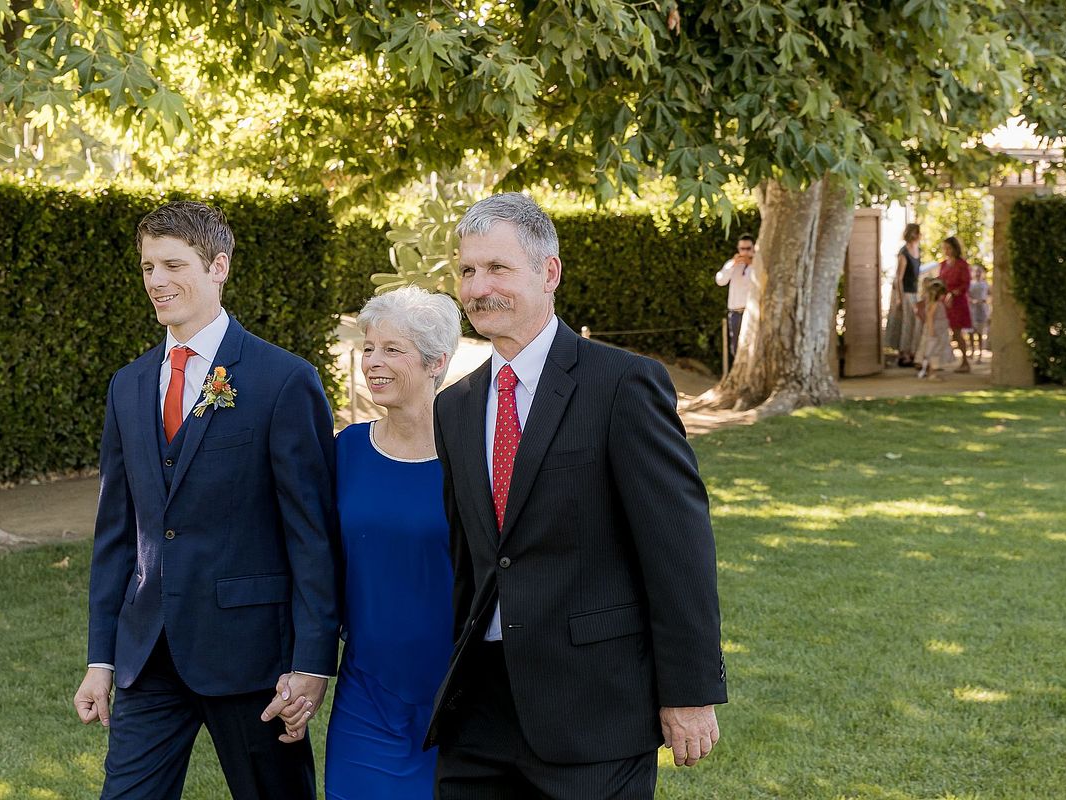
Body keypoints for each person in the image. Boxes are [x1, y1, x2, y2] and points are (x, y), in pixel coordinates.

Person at [426, 193, 726, 799]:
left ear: (549, 272)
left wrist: (689, 692)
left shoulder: (622, 385)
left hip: (594, 707)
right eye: (467, 271)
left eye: (498, 268)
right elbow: (470, 560)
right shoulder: (454, 407)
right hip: (481, 708)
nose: (479, 286)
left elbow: (678, 547)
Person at [73, 201, 340, 800]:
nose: (156, 281)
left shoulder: (282, 380)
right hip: (149, 653)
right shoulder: (129, 384)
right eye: (147, 268)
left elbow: (312, 535)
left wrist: (312, 662)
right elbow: (117, 532)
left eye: (173, 264)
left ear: (218, 266)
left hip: (251, 657)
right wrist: (102, 658)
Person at [323, 287, 462, 799]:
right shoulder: (347, 451)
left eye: (392, 350)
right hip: (367, 693)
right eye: (369, 347)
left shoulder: (473, 459)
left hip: (458, 697)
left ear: (436, 363)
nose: (373, 363)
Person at [715, 234, 757, 363]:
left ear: (753, 248)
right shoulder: (731, 264)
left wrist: (752, 264)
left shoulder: (758, 265)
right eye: (742, 249)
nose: (744, 252)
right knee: (735, 347)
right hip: (735, 312)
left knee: (752, 346)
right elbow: (720, 280)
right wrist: (732, 265)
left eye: (748, 248)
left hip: (751, 313)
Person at [885, 223, 923, 367]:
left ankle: (911, 351)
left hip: (914, 291)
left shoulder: (917, 250)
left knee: (915, 322)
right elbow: (899, 278)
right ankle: (903, 353)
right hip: (905, 292)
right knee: (906, 322)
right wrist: (899, 298)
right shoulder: (904, 253)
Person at [938, 236, 973, 373]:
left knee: (957, 333)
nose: (946, 251)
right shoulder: (943, 264)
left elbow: (966, 284)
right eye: (944, 248)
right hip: (944, 302)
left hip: (957, 302)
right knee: (941, 331)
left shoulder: (962, 264)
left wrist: (953, 293)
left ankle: (965, 362)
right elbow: (941, 282)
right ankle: (939, 361)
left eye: (949, 248)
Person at [915, 277, 955, 380]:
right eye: (942, 294)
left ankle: (929, 372)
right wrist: (931, 331)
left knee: (934, 350)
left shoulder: (938, 304)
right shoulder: (935, 304)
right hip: (935, 331)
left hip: (940, 331)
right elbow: (929, 317)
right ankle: (932, 373)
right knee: (934, 351)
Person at [968, 265, 991, 362]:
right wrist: (973, 301)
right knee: (971, 333)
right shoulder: (970, 284)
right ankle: (972, 351)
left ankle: (980, 354)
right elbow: (967, 296)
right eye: (975, 271)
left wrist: (985, 301)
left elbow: (990, 296)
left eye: (979, 271)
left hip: (982, 310)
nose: (977, 273)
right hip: (972, 310)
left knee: (981, 333)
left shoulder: (986, 284)